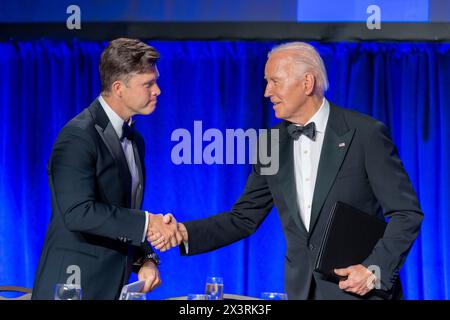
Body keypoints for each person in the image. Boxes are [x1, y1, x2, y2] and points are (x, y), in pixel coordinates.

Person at [150, 42, 424, 300]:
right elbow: (244, 217)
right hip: (300, 291)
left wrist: (373, 270)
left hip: (359, 292)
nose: (267, 92)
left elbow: (406, 213)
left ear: (307, 83)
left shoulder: (365, 134)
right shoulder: (271, 144)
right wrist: (184, 232)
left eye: (274, 82)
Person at [32, 38, 180, 300]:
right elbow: (78, 212)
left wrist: (144, 259)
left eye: (155, 81)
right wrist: (148, 223)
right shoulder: (77, 136)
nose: (157, 90)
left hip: (113, 287)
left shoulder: (136, 140)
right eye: (148, 83)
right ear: (118, 88)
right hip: (72, 288)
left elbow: (118, 214)